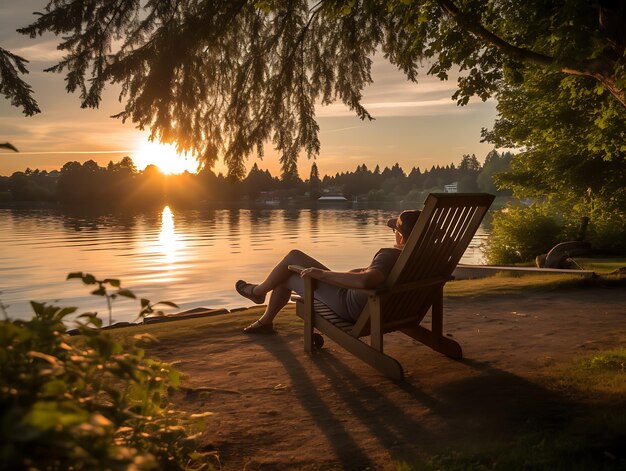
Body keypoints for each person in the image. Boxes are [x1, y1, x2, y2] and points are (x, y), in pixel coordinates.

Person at [235, 210, 421, 333]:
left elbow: (368, 280)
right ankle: (263, 310)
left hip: (352, 307)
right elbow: (375, 276)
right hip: (392, 309)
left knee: (290, 267)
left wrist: (322, 274)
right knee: (294, 260)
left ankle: (258, 294)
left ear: (401, 236)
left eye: (394, 230)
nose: (393, 233)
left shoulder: (391, 255)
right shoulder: (422, 258)